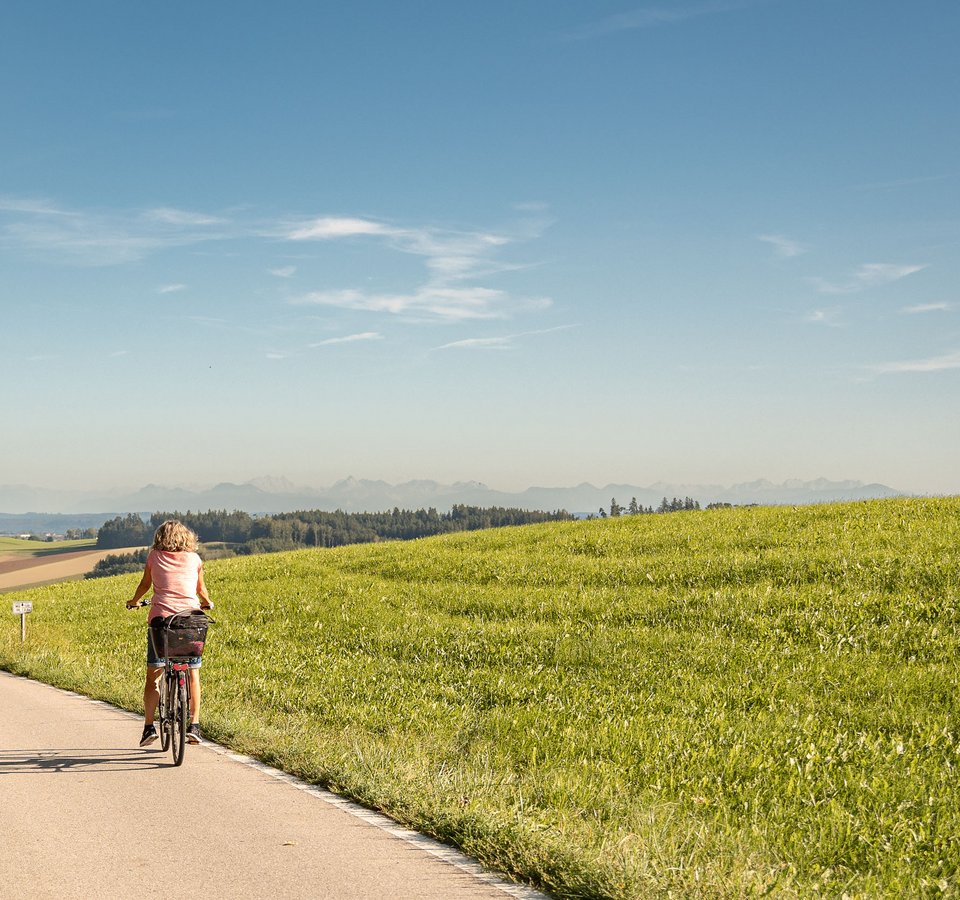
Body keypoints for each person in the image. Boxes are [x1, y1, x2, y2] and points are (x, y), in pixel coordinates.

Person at [126, 520, 212, 748]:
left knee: (154, 672)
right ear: (187, 538)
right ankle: (194, 725)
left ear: (160, 538)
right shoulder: (195, 559)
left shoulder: (155, 556)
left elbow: (145, 584)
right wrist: (207, 602)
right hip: (190, 620)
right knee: (193, 672)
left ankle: (148, 727)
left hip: (161, 621)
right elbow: (200, 590)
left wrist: (134, 601)